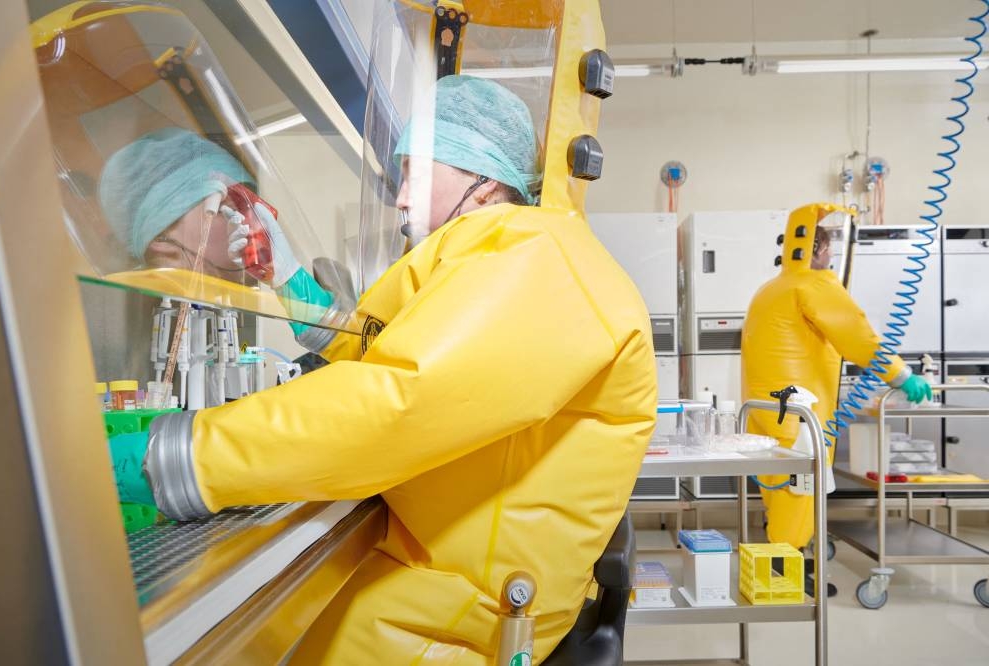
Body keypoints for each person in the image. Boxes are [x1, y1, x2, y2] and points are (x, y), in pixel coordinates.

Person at [109, 74, 658, 663]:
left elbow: (397, 401)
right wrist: (293, 283)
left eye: (414, 175)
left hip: (464, 617)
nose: (399, 198)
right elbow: (394, 352)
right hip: (451, 577)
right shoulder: (502, 250)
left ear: (482, 175)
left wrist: (172, 458)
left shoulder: (531, 257)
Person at [741, 203, 932, 596]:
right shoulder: (814, 286)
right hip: (799, 411)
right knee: (800, 488)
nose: (831, 259)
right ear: (816, 249)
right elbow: (858, 337)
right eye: (828, 250)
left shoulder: (771, 288)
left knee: (780, 489)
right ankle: (784, 579)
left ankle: (784, 565)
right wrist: (902, 375)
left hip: (768, 409)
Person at [98, 127, 341, 352]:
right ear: (160, 238)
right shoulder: (111, 321)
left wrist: (291, 280)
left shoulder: (232, 305)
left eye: (247, 203)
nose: (249, 219)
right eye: (228, 205)